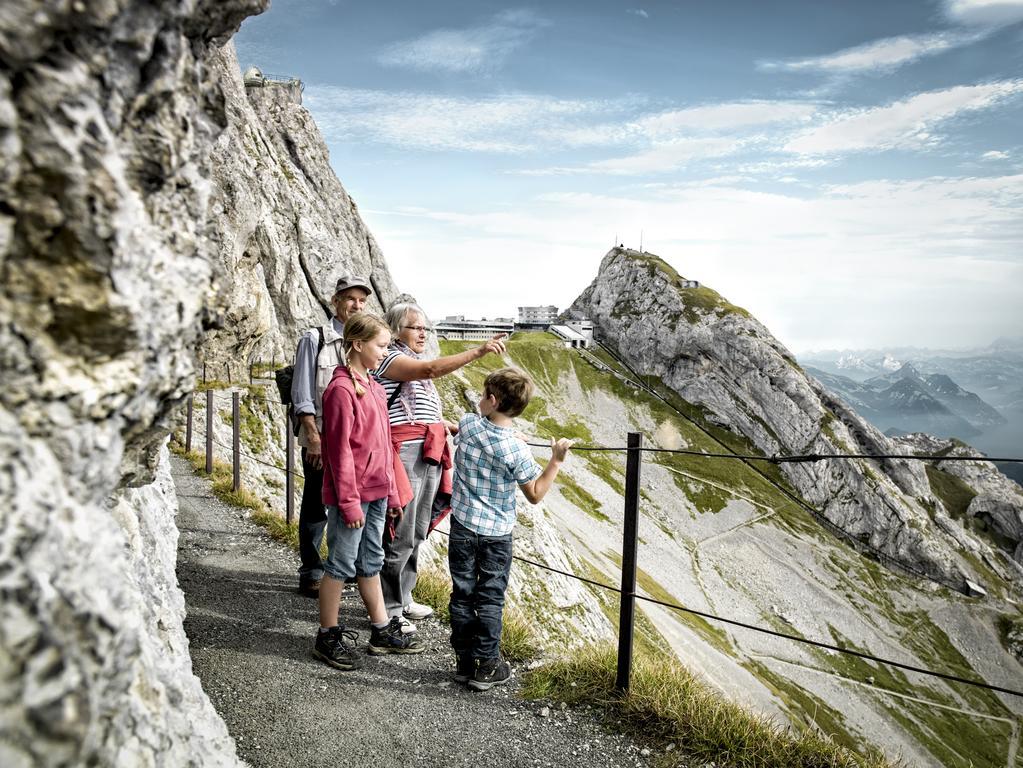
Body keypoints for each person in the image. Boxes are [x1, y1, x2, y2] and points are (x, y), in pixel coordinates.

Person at [374, 302, 507, 632]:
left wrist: (442, 424)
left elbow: (418, 405)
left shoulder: (410, 360)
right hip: (406, 450)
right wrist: (478, 351)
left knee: (418, 529)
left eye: (424, 327)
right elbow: (429, 371)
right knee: (401, 530)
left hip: (428, 447)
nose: (422, 333)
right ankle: (388, 608)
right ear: (394, 331)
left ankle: (403, 596)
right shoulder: (391, 357)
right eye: (415, 327)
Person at [448, 367, 573, 690]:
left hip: (462, 526)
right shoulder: (516, 449)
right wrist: (555, 460)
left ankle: (464, 662)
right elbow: (534, 493)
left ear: (491, 400)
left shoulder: (469, 424)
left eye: (482, 395)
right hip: (496, 533)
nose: (478, 400)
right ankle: (487, 665)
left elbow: (470, 433)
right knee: (490, 598)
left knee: (462, 593)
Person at [313, 313, 425, 670]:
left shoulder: (374, 386)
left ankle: (380, 628)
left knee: (371, 560)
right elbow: (339, 452)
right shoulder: (341, 390)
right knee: (341, 562)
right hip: (354, 497)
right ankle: (326, 634)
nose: (385, 351)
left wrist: (392, 494)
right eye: (380, 345)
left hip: (377, 494)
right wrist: (348, 503)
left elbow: (383, 445)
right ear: (358, 345)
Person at [290, 275, 371, 597]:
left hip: (354, 442)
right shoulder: (315, 339)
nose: (357, 305)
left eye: (362, 300)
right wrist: (312, 436)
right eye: (350, 298)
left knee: (348, 502)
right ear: (335, 301)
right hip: (321, 437)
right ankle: (311, 571)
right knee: (315, 503)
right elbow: (302, 392)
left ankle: (341, 567)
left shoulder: (362, 342)